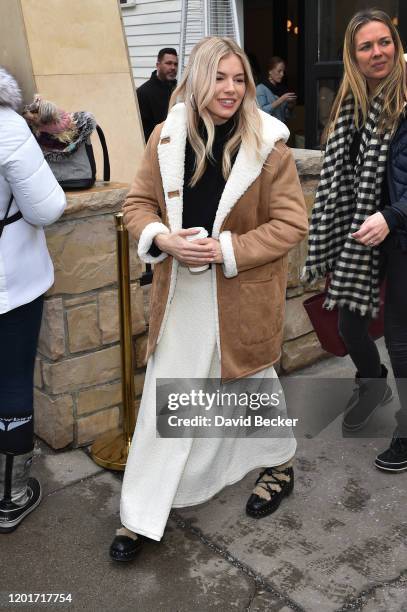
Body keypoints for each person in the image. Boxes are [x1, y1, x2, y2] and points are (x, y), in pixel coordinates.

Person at [109, 36, 308, 562]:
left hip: (241, 294)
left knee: (250, 382)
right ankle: (140, 513)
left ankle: (278, 462)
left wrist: (226, 250)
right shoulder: (166, 137)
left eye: (239, 78)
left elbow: (291, 223)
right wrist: (163, 237)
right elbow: (137, 203)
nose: (230, 88)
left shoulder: (269, 146)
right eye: (219, 77)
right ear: (197, 79)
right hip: (181, 295)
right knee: (168, 398)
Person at [303, 10, 407, 472]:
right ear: (353, 54)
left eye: (383, 42)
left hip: (400, 229)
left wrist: (392, 215)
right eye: (366, 46)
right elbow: (339, 177)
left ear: (395, 43)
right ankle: (373, 383)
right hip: (363, 231)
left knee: (402, 339)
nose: (377, 52)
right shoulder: (351, 104)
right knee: (348, 327)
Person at [0, 68, 66, 532]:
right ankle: (11, 495)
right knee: (12, 380)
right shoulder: (4, 124)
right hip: (10, 282)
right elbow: (47, 207)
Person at [137, 48, 178, 142]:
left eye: (175, 64)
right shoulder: (143, 92)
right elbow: (144, 132)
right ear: (158, 65)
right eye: (168, 63)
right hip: (156, 150)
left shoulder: (179, 90)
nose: (173, 67)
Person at [256, 57, 296, 123]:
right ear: (270, 71)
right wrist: (281, 99)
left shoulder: (282, 89)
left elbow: (286, 116)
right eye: (279, 71)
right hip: (268, 130)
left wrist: (290, 107)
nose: (282, 74)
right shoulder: (261, 88)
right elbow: (261, 112)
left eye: (283, 71)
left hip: (281, 129)